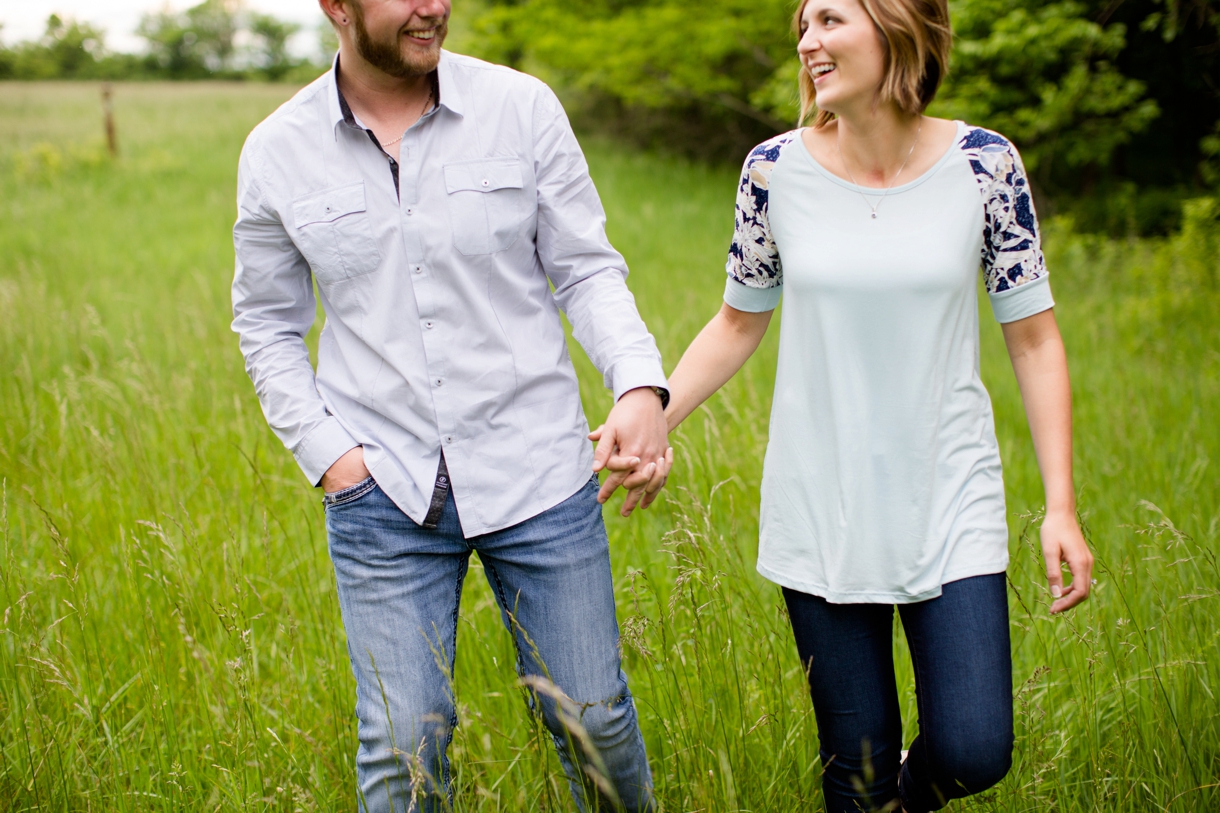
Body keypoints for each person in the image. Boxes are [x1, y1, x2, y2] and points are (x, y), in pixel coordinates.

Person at [230, 1, 672, 810]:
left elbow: (585, 270)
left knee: (593, 719)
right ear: (336, 6)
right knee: (405, 746)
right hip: (381, 491)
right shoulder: (277, 151)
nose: (434, 5)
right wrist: (334, 461)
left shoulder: (521, 108)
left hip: (539, 470)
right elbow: (265, 323)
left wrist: (638, 385)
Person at [661, 0, 1095, 810]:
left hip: (950, 498)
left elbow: (1034, 339)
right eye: (802, 25)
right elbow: (735, 323)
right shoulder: (772, 172)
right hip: (820, 505)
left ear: (897, 26)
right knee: (854, 777)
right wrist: (654, 412)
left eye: (830, 19)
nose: (808, 41)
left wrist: (1060, 507)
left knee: (973, 749)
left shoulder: (984, 166)